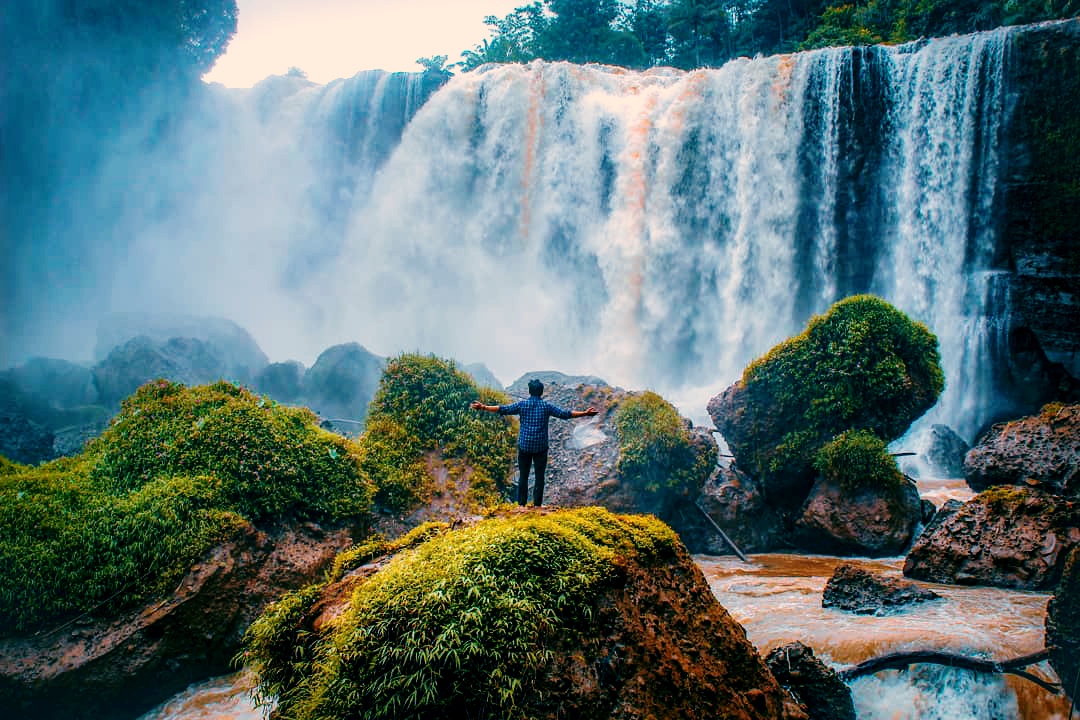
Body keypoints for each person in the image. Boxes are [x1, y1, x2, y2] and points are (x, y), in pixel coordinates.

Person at [470, 378, 598, 507]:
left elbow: (503, 409)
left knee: (523, 477)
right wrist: (585, 413)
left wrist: (483, 407)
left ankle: (521, 506)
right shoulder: (546, 406)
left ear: (529, 391)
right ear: (541, 392)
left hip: (524, 447)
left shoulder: (522, 405)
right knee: (539, 478)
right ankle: (537, 506)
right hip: (540, 448)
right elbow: (565, 414)